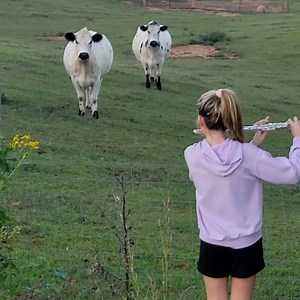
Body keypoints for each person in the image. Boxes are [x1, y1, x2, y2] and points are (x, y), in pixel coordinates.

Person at [183, 88, 300, 300]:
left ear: (201, 121)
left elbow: (225, 163)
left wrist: (252, 143)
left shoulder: (192, 155)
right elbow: (292, 173)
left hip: (211, 243)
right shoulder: (249, 156)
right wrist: (297, 140)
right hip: (246, 245)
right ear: (232, 119)